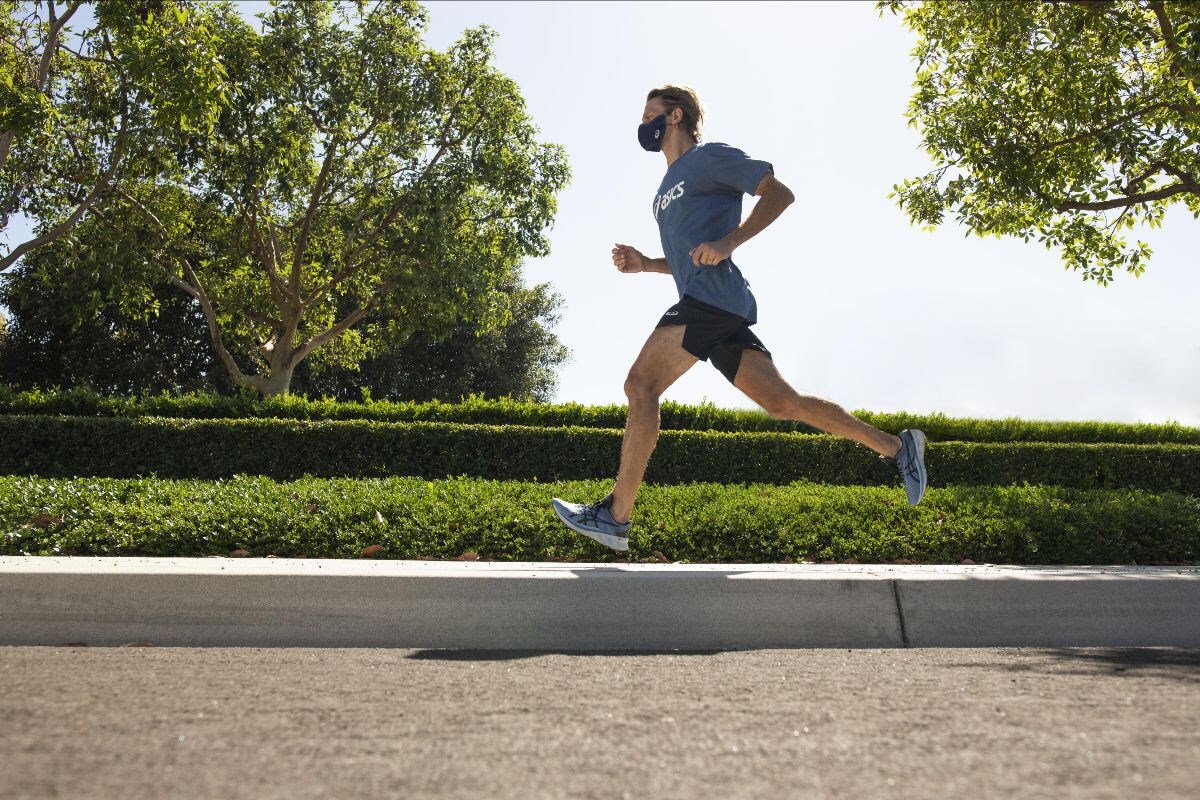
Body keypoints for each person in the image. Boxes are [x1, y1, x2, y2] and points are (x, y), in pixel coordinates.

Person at [552, 84, 927, 552]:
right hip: (711, 302)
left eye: (649, 113)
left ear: (674, 116)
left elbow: (779, 194)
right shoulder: (662, 193)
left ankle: (615, 516)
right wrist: (647, 263)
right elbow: (689, 256)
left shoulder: (710, 158)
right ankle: (896, 447)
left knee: (640, 386)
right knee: (783, 402)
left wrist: (730, 242)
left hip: (710, 300)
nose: (642, 123)